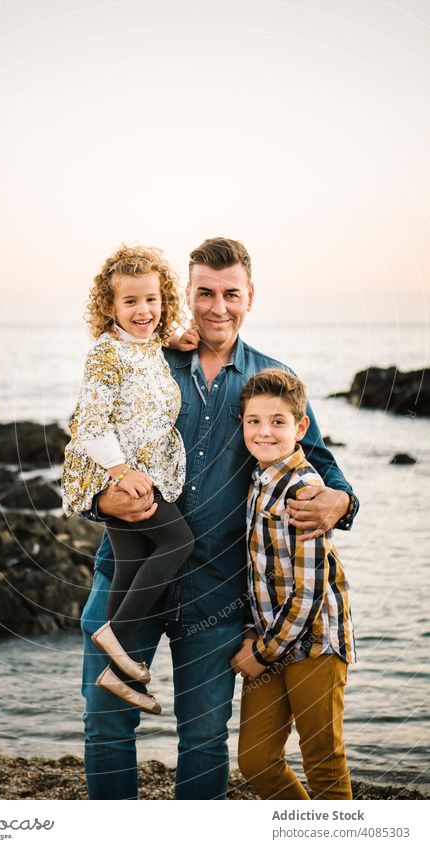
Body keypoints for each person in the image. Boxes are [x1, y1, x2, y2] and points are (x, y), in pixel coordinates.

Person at [80, 237, 359, 800]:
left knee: (204, 740)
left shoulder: (272, 380)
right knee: (107, 728)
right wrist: (101, 500)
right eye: (203, 293)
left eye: (230, 293)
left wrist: (342, 502)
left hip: (217, 594)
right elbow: (88, 439)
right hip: (126, 575)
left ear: (250, 295)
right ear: (186, 293)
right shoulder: (147, 362)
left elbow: (325, 467)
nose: (216, 307)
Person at [62, 245, 194, 715]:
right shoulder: (105, 354)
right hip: (117, 476)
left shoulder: (150, 346)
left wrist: (172, 340)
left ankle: (117, 676)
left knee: (130, 563)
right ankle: (111, 638)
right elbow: (90, 426)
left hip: (144, 471)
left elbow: (153, 348)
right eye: (131, 302)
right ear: (111, 307)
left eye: (152, 300)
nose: (144, 311)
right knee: (178, 544)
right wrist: (121, 472)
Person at [230, 368, 355, 799]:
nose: (264, 432)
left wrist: (262, 654)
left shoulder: (304, 490)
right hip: (271, 640)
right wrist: (253, 635)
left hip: (316, 642)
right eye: (254, 421)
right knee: (257, 759)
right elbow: (258, 572)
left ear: (301, 427)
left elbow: (310, 592)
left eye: (278, 422)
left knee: (322, 758)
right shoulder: (258, 479)